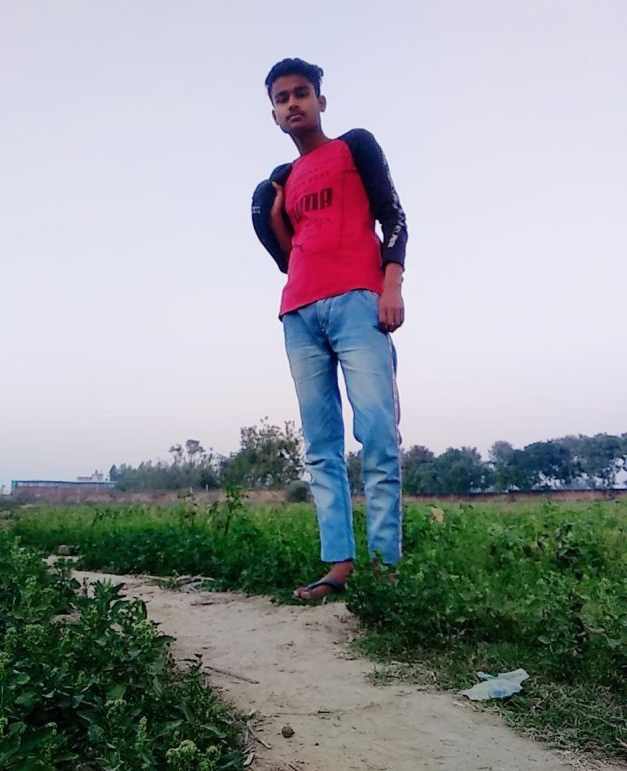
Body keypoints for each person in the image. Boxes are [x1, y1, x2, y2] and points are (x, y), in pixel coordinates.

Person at [251, 58, 408, 601]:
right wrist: (273, 214)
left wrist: (391, 284)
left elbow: (393, 215)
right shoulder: (281, 180)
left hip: (359, 302)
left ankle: (386, 569)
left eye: (301, 93)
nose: (292, 103)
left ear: (320, 101)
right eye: (281, 99)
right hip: (299, 313)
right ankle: (338, 563)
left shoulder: (353, 146)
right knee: (321, 445)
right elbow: (288, 253)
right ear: (274, 114)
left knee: (378, 433)